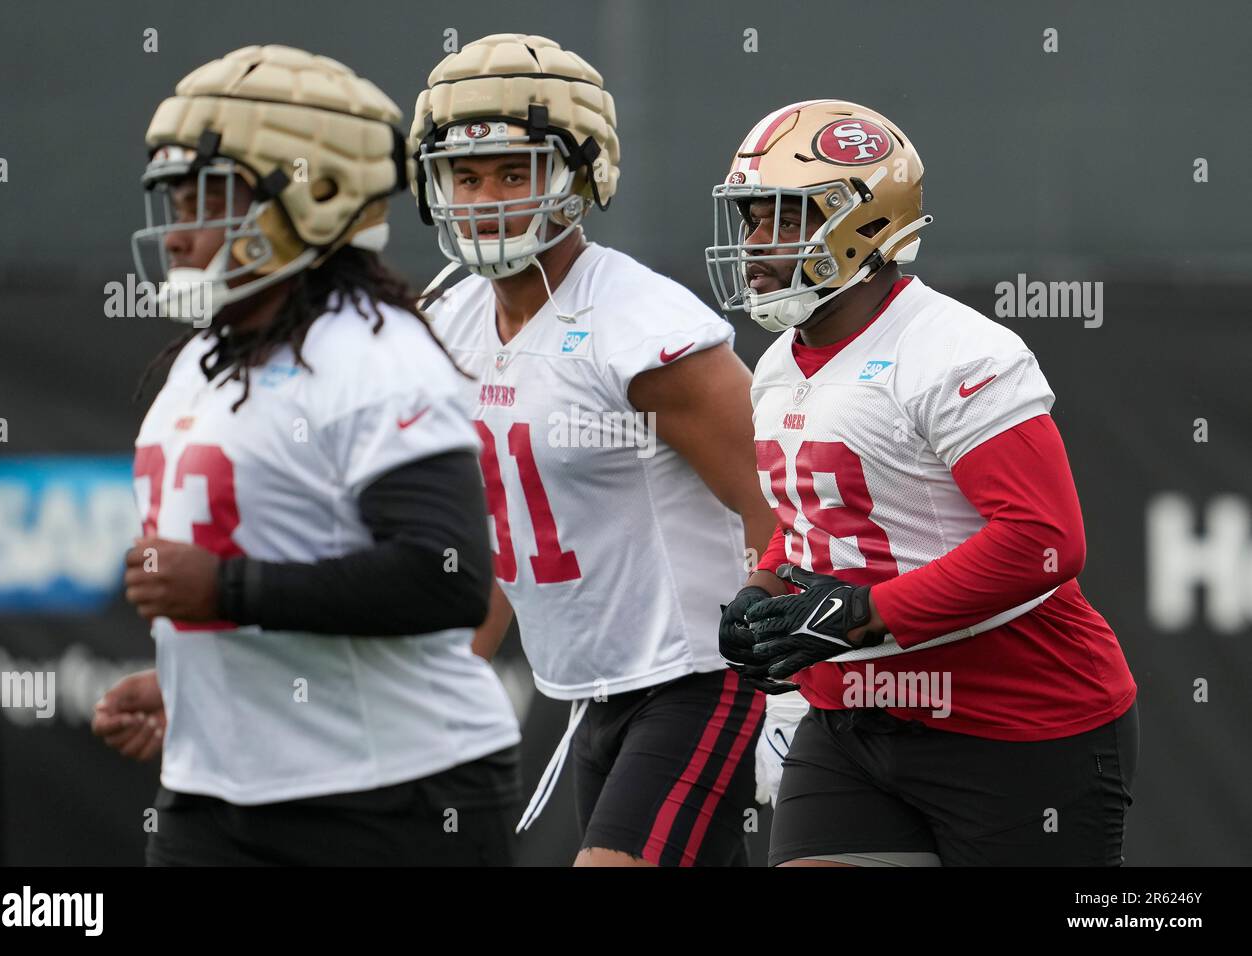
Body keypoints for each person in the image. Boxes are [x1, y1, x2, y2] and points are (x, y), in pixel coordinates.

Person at [91, 44, 521, 866]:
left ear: (314, 196)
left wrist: (224, 588)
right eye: (172, 200)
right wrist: (193, 688)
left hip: (391, 793)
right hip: (213, 788)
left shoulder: (374, 356)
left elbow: (447, 577)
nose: (178, 233)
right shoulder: (201, 359)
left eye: (207, 199)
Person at [709, 100, 1138, 866]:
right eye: (749, 219)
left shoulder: (955, 352)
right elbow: (813, 512)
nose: (754, 244)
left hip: (1014, 722)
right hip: (853, 722)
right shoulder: (777, 363)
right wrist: (767, 585)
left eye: (782, 217)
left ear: (865, 224)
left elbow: (1044, 542)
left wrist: (868, 614)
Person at [412, 33, 778, 866]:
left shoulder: (641, 329)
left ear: (580, 176)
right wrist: (445, 682)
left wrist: (790, 683)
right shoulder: (449, 320)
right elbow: (490, 524)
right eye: (466, 175)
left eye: (515, 172)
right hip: (593, 691)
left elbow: (782, 497)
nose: (487, 198)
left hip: (700, 674)